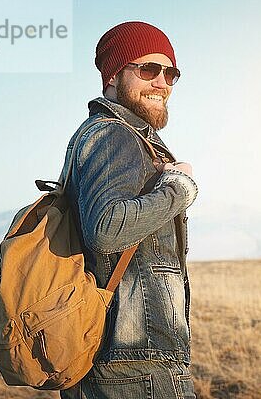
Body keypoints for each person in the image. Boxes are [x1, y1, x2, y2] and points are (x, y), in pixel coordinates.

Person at [59, 21, 197, 399]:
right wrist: (180, 189)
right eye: (148, 70)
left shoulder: (121, 137)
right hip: (134, 370)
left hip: (124, 363)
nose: (162, 83)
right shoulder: (113, 134)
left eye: (171, 73)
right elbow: (106, 229)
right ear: (113, 75)